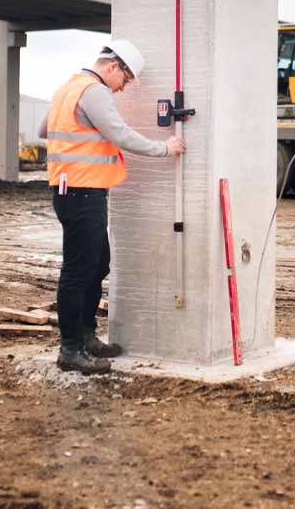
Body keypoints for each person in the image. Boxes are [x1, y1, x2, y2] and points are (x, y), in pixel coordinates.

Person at [41, 40, 186, 374]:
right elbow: (119, 134)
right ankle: (71, 350)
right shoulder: (94, 91)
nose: (124, 88)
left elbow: (43, 129)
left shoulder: (68, 88)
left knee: (97, 264)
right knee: (78, 272)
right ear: (112, 66)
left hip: (74, 191)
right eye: (126, 79)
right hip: (82, 192)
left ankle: (87, 337)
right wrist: (163, 148)